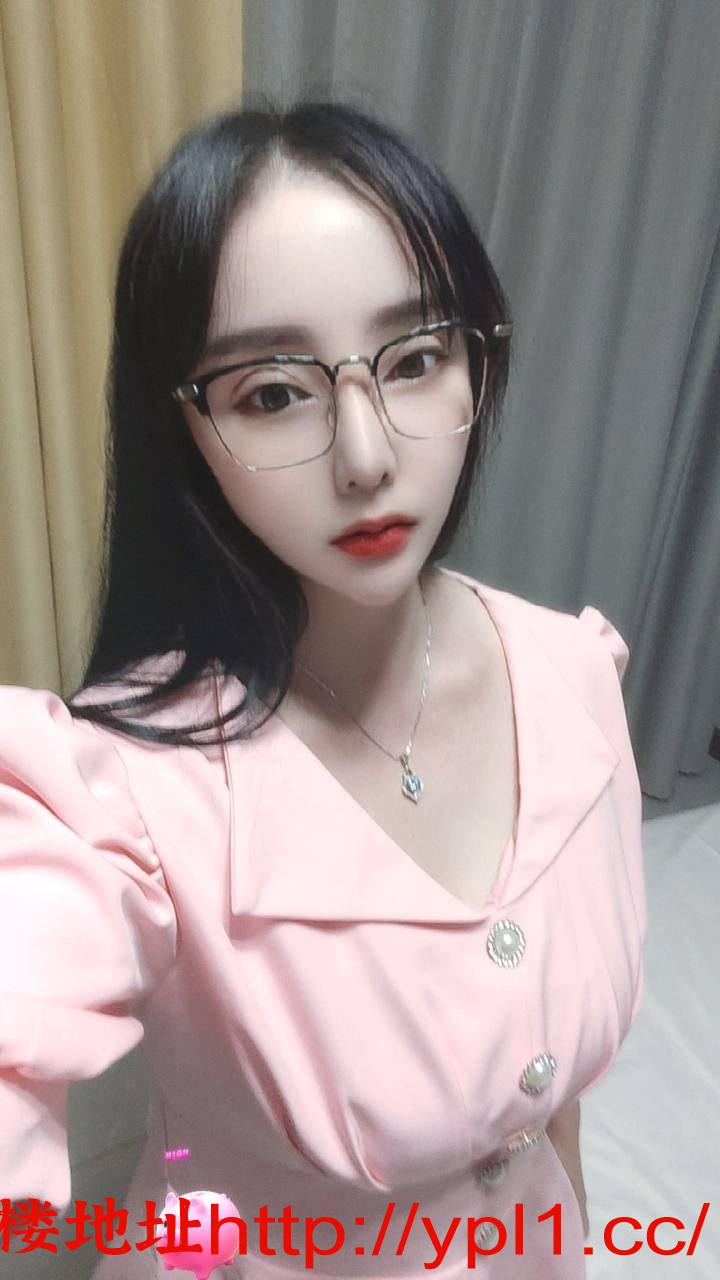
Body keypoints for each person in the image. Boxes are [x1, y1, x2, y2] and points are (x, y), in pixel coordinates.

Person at [0, 97, 646, 1278]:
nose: (367, 455)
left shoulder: (572, 673)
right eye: (273, 391)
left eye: (417, 358)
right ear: (187, 427)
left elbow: (550, 1106)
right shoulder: (118, 788)